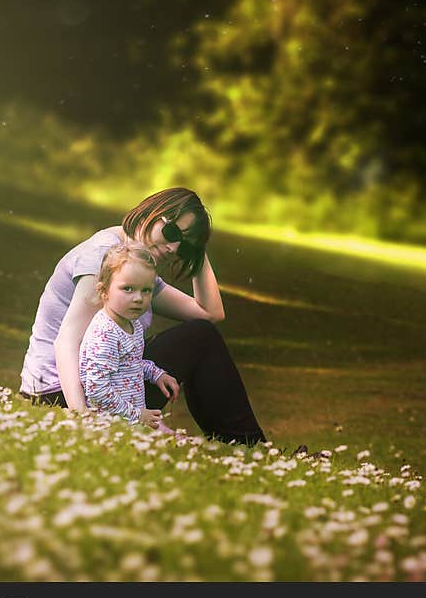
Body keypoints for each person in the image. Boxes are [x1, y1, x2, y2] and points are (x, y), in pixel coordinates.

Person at [19, 187, 267, 445]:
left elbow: (209, 312)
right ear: (153, 213)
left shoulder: (134, 268)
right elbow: (66, 341)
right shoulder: (103, 256)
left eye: (183, 244)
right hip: (67, 393)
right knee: (200, 337)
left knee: (200, 333)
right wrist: (81, 417)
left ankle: (246, 444)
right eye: (172, 233)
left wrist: (197, 249)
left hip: (104, 380)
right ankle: (249, 444)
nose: (173, 248)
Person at [78, 242, 180, 433]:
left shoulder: (132, 324)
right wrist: (137, 414)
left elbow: (130, 364)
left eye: (146, 290)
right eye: (128, 289)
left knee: (180, 444)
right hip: (111, 424)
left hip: (132, 419)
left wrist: (156, 373)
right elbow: (97, 390)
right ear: (104, 291)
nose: (138, 298)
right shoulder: (105, 332)